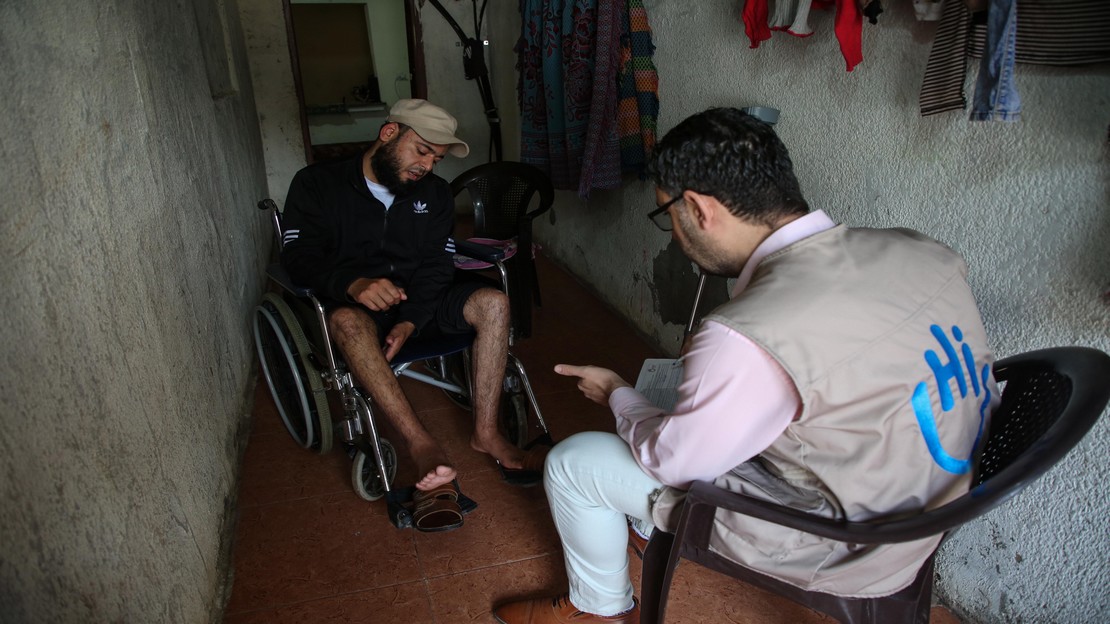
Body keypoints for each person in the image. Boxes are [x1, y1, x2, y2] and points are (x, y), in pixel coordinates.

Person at [492, 107, 997, 623]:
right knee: (701, 405)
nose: (673, 234)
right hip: (936, 501)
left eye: (667, 215)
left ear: (698, 208)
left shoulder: (747, 331)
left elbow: (671, 464)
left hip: (850, 542)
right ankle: (643, 528)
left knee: (576, 462)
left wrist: (618, 394)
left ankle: (596, 609)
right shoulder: (917, 249)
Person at [280, 99, 537, 529]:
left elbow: (438, 265)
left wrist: (410, 319)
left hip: (419, 303)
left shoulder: (434, 194)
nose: (427, 166)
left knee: (494, 302)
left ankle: (487, 432)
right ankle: (421, 446)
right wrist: (352, 283)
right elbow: (298, 257)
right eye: (421, 151)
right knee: (346, 323)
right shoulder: (317, 184)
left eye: (436, 159)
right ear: (388, 134)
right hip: (356, 306)